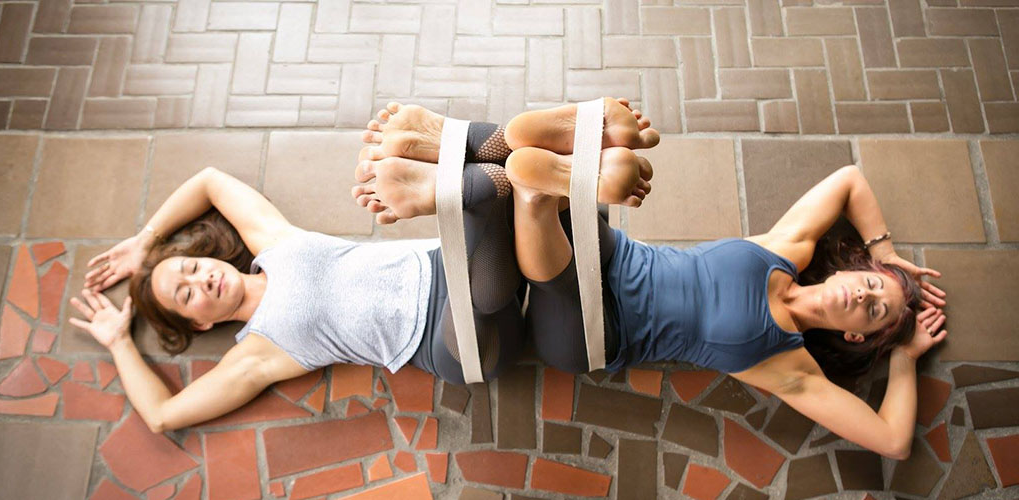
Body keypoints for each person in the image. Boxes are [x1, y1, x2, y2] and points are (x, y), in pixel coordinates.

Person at [355, 99, 948, 460]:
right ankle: (531, 179)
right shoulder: (785, 249)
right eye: (873, 285)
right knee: (573, 228)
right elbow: (849, 178)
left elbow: (893, 440)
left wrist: (904, 355)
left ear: (854, 336)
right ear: (855, 271)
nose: (864, 296)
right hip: (616, 257)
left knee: (560, 264)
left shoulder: (791, 367)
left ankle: (521, 176)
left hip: (596, 333)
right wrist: (889, 254)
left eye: (874, 313)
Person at [67, 116, 582, 432]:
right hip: (455, 343)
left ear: (212, 259)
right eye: (187, 295)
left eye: (194, 267)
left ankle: (514, 168)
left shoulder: (272, 241)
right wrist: (118, 342)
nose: (201, 281)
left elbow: (209, 181)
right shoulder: (257, 352)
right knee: (483, 260)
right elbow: (162, 416)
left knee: (493, 224)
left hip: (448, 262)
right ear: (199, 325)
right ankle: (481, 164)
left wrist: (146, 241)